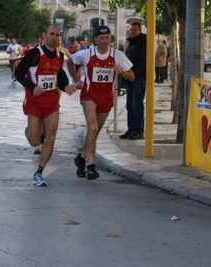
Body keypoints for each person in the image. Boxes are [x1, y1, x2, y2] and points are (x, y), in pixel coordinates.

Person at [66, 25, 134, 180]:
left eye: (107, 38)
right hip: (89, 96)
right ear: (95, 40)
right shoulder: (87, 54)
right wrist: (76, 79)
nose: (105, 41)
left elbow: (132, 76)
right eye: (101, 38)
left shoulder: (117, 55)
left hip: (106, 99)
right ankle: (91, 166)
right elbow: (69, 61)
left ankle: (81, 158)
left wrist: (122, 72)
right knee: (92, 126)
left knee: (93, 133)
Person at [15, 25, 80, 186]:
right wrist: (32, 87)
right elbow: (18, 73)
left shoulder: (59, 55)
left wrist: (66, 87)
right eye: (51, 34)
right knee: (34, 141)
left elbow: (59, 75)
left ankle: (39, 172)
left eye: (57, 35)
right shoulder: (34, 53)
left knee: (51, 137)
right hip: (35, 101)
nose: (55, 37)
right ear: (44, 36)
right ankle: (30, 132)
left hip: (51, 102)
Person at [119, 22, 147, 140]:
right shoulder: (132, 42)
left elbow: (143, 61)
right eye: (130, 30)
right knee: (130, 106)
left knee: (137, 106)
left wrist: (135, 75)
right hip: (129, 78)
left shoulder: (143, 42)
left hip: (137, 79)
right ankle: (131, 129)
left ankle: (138, 131)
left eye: (134, 30)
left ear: (140, 30)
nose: (132, 31)